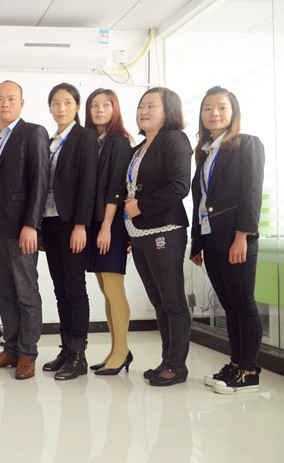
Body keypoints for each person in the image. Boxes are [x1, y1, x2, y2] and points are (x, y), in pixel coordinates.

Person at [189, 86, 265, 394]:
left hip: (236, 238)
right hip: (211, 239)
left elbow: (251, 194)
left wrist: (242, 236)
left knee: (243, 304)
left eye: (221, 107)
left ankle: (249, 370)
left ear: (233, 112)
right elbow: (200, 201)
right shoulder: (205, 152)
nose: (214, 113)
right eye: (208, 108)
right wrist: (196, 242)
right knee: (229, 306)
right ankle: (235, 364)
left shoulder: (247, 144)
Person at [0, 81, 50, 380]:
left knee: (26, 292)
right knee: (3, 291)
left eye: (11, 98)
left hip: (21, 229)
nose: (4, 103)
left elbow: (40, 181)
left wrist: (32, 224)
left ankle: (27, 354)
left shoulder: (33, 132)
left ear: (21, 103)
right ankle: (11, 349)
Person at [125, 87, 192, 386]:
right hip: (138, 233)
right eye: (141, 106)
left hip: (165, 229)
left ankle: (177, 366)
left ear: (169, 110)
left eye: (151, 106)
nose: (144, 111)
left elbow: (179, 186)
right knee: (159, 302)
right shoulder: (138, 148)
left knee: (173, 301)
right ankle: (167, 360)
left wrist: (141, 206)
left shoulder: (174, 139)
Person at [40, 83, 98, 381]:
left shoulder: (84, 137)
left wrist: (80, 225)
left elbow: (88, 182)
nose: (61, 108)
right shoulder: (49, 140)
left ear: (77, 106)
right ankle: (66, 349)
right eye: (55, 102)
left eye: (67, 102)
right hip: (50, 222)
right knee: (60, 288)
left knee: (75, 287)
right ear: (50, 107)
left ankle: (78, 355)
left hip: (71, 223)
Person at [84, 88, 134, 375]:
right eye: (94, 105)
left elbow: (116, 186)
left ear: (115, 109)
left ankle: (122, 351)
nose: (100, 109)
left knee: (114, 289)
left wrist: (106, 227)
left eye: (106, 105)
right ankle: (116, 350)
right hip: (97, 222)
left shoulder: (119, 142)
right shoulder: (92, 142)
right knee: (105, 289)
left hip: (111, 224)